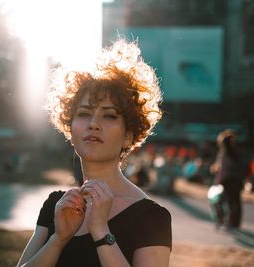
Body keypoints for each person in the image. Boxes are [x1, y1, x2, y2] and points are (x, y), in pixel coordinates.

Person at [17, 39, 172, 267]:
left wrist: (100, 231)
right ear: (69, 130)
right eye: (83, 114)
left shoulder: (151, 217)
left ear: (129, 135)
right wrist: (58, 240)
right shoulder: (56, 205)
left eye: (109, 115)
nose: (93, 124)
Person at [210, 129, 244, 229]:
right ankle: (234, 222)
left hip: (226, 180)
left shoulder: (223, 153)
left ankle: (226, 221)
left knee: (224, 201)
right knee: (235, 201)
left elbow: (222, 169)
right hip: (236, 180)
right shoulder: (237, 153)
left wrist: (215, 171)